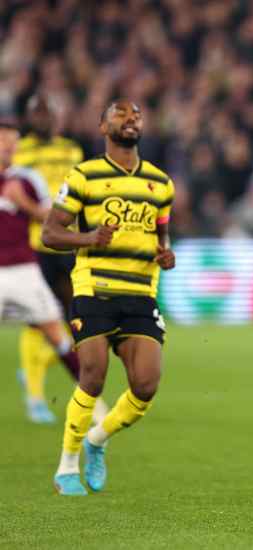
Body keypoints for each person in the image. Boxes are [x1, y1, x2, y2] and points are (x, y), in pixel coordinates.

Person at [43, 100, 176, 495]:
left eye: (135, 114)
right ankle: (67, 466)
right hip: (95, 287)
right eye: (119, 114)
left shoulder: (161, 184)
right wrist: (87, 237)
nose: (130, 119)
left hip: (139, 293)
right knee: (93, 374)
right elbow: (51, 233)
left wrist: (164, 254)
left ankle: (97, 439)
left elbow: (161, 238)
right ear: (102, 126)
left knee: (146, 385)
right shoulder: (84, 176)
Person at [12, 94, 104, 424]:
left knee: (76, 319)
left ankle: (36, 366)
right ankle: (35, 396)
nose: (43, 119)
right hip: (34, 244)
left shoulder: (71, 150)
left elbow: (82, 193)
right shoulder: (20, 152)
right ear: (30, 117)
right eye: (37, 113)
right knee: (37, 318)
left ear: (57, 116)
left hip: (66, 244)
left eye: (47, 113)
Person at [0, 119, 82, 416]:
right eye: (4, 140)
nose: (9, 146)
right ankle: (34, 393)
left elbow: (48, 217)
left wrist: (24, 203)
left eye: (13, 141)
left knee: (57, 328)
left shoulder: (27, 179)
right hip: (21, 262)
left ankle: (88, 396)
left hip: (27, 265)